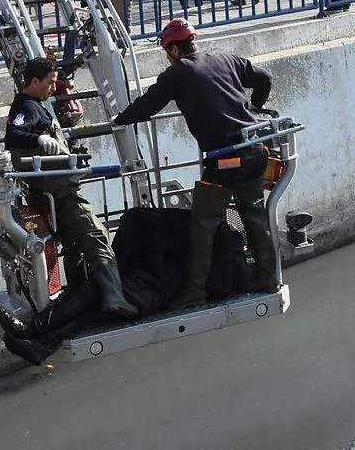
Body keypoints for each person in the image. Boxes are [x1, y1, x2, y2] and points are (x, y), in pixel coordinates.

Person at [112, 18, 277, 309]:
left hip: (225, 158)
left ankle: (194, 292)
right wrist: (256, 107)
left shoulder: (178, 73)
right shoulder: (226, 58)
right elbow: (264, 79)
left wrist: (119, 120)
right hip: (254, 150)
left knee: (203, 223)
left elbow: (148, 105)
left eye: (167, 51)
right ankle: (267, 276)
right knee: (254, 214)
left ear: (174, 48)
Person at [0, 206, 250, 365]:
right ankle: (40, 345)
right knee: (89, 312)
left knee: (92, 293)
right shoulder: (189, 245)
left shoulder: (183, 247)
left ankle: (34, 329)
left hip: (141, 297)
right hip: (142, 296)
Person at [4, 57, 139, 319]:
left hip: (52, 191)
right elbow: (14, 136)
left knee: (74, 245)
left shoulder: (34, 106)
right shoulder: (28, 108)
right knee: (95, 236)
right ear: (34, 81)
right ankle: (115, 299)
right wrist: (40, 138)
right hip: (61, 193)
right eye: (50, 83)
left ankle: (80, 300)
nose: (53, 89)